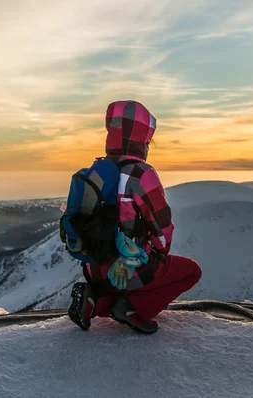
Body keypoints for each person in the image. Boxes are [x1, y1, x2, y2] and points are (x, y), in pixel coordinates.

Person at [68, 100, 202, 334]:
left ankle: (93, 299)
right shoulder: (141, 174)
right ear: (141, 138)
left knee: (117, 281)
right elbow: (162, 232)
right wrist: (160, 251)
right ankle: (133, 309)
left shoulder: (96, 171)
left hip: (95, 267)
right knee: (190, 271)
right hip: (131, 267)